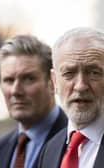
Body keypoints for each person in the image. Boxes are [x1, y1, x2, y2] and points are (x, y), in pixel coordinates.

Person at [0, 35, 67, 168]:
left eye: (28, 79)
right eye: (9, 80)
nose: (15, 91)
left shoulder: (75, 144)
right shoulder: (1, 147)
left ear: (52, 82)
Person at [38, 27, 104, 168]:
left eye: (93, 73)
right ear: (54, 81)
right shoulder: (49, 150)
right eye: (69, 73)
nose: (80, 86)